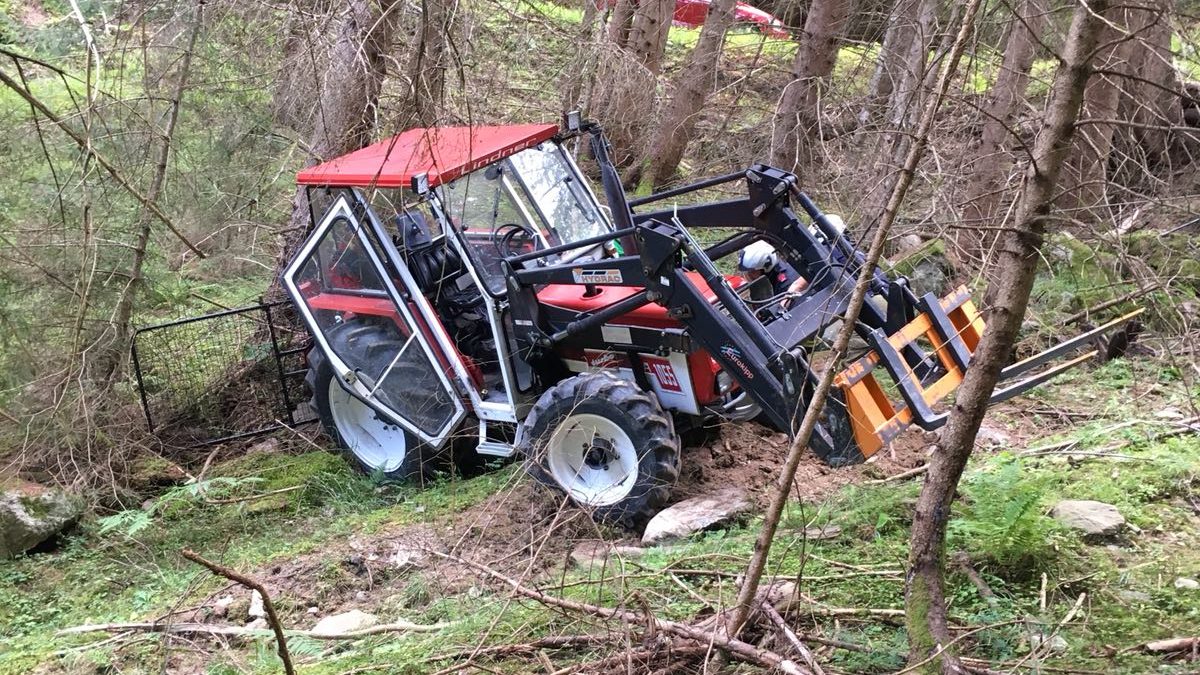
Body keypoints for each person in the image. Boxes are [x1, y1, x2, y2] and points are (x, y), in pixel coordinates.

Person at [737, 241, 808, 307]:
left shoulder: (786, 283)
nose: (749, 275)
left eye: (752, 271)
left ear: (765, 267)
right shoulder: (771, 281)